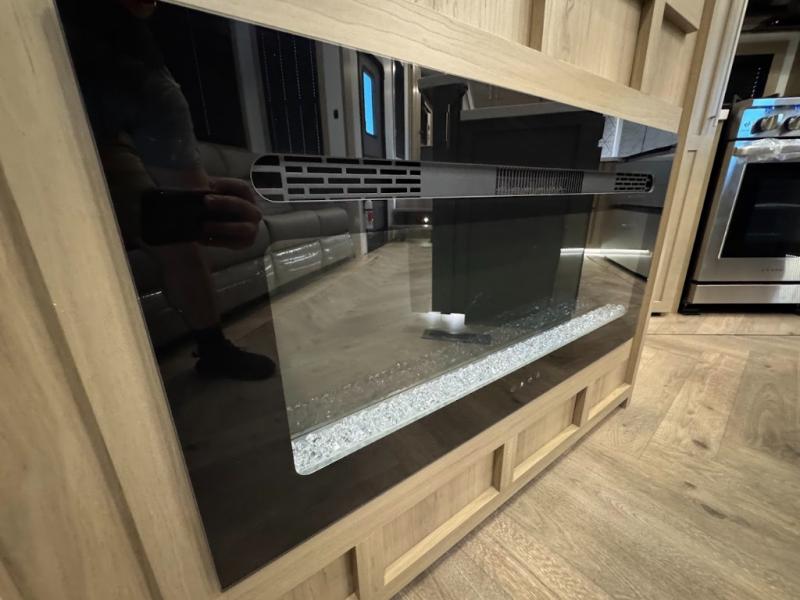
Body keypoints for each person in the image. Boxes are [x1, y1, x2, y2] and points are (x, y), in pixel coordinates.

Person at [60, 0, 275, 379]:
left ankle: (213, 348)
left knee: (178, 233)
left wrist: (201, 203)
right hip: (66, 98)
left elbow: (191, 206)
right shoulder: (147, 81)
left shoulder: (149, 83)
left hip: (120, 108)